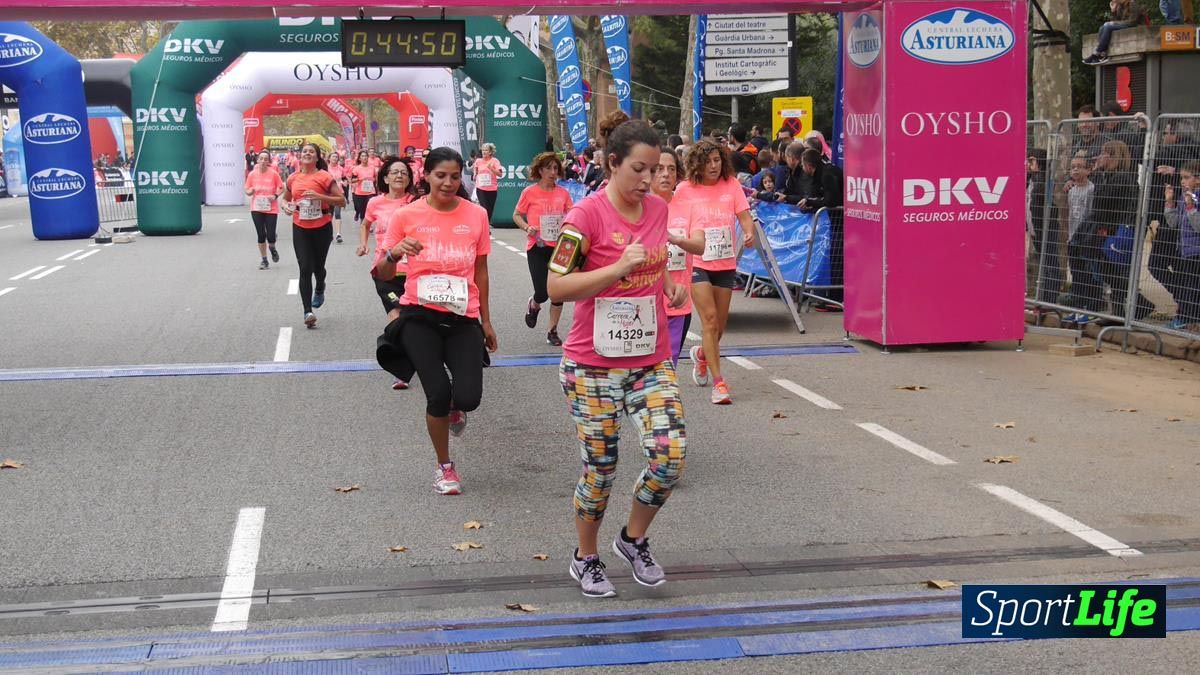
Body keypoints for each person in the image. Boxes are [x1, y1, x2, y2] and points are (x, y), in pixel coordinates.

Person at [547, 120, 688, 598]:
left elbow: (657, 254)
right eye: (638, 169)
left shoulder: (659, 210)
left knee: (670, 457)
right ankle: (585, 557)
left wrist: (664, 280)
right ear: (611, 163)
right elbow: (556, 287)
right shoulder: (583, 218)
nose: (648, 180)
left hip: (650, 360)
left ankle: (633, 538)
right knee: (601, 468)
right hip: (592, 365)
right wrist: (616, 269)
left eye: (656, 169)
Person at [375, 147, 497, 496]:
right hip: (419, 316)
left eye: (455, 176)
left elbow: (482, 270)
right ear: (426, 175)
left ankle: (458, 409)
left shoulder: (476, 215)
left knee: (468, 397)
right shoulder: (405, 216)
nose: (447, 182)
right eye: (440, 175)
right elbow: (383, 272)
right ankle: (445, 466)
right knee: (437, 394)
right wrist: (394, 253)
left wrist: (486, 321)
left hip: (462, 316)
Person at [676, 139, 755, 405]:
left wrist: (748, 232)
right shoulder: (685, 189)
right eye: (708, 161)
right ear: (697, 163)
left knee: (718, 328)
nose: (714, 165)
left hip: (724, 262)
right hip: (697, 262)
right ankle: (719, 383)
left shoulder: (731, 185)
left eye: (717, 160)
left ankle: (701, 355)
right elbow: (675, 220)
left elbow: (745, 216)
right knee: (708, 320)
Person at [281, 143, 346, 329]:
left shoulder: (324, 177)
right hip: (300, 226)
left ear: (317, 157)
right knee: (305, 267)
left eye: (311, 152)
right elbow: (285, 199)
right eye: (304, 152)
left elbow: (342, 201)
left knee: (318, 267)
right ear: (300, 157)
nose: (307, 154)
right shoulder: (293, 178)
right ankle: (307, 311)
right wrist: (286, 206)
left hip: (322, 226)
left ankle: (320, 286)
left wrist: (320, 197)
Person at [358, 155, 419, 344]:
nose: (399, 176)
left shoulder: (417, 202)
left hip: (414, 269)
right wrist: (364, 244)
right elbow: (365, 224)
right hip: (384, 269)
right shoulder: (375, 203)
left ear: (409, 179)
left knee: (415, 317)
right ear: (386, 178)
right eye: (395, 172)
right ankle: (400, 357)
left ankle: (413, 352)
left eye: (404, 173)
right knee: (396, 314)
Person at [515, 152, 573, 346]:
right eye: (548, 168)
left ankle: (552, 331)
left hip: (560, 247)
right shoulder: (529, 192)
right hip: (537, 246)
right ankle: (534, 303)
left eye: (556, 168)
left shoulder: (563, 193)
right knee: (543, 291)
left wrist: (569, 226)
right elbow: (517, 214)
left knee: (558, 292)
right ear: (540, 170)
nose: (552, 172)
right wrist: (527, 227)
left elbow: (572, 215)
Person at [655, 146, 704, 366]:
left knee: (668, 367)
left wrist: (676, 239)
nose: (666, 174)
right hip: (644, 300)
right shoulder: (638, 206)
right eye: (660, 169)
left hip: (677, 301)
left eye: (672, 169)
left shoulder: (689, 208)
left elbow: (700, 245)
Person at [1163, 161, 1200, 329]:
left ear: (1198, 179)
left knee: (1190, 287)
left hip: (1196, 250)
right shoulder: (1184, 196)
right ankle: (1187, 317)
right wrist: (1169, 202)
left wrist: (1191, 206)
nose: (1182, 182)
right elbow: (1173, 223)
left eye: (1186, 178)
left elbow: (1198, 226)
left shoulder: (1195, 198)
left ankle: (1186, 317)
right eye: (1181, 178)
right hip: (1185, 250)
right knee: (1186, 285)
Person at [243, 150, 284, 270]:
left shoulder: (273, 174)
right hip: (256, 208)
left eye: (266, 159)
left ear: (269, 161)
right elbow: (247, 189)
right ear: (257, 160)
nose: (263, 161)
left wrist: (275, 196)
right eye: (261, 158)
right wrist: (250, 191)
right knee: (261, 235)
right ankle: (264, 260)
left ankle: (272, 247)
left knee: (271, 235)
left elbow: (281, 188)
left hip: (271, 208)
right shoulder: (252, 174)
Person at [1083, 0, 1147, 65]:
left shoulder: (1132, 3)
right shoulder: (1120, 6)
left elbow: (1133, 21)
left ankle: (1097, 53)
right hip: (1125, 25)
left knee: (1108, 26)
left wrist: (1114, 23)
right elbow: (1116, 21)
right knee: (1102, 27)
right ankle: (1102, 54)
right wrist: (1113, 11)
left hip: (1134, 26)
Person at [471, 143, 503, 223]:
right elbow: (475, 168)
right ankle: (484, 226)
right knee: (484, 208)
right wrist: (475, 174)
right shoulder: (478, 161)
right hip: (481, 188)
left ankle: (486, 226)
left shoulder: (495, 161)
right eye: (483, 150)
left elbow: (500, 174)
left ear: (490, 152)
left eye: (486, 150)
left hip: (492, 189)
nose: (484, 152)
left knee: (489, 210)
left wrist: (491, 168)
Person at [350, 149, 377, 239]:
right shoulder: (356, 168)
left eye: (366, 156)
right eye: (362, 156)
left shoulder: (372, 168)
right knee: (362, 211)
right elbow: (352, 180)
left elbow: (375, 178)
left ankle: (368, 225)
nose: (364, 158)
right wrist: (361, 179)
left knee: (370, 209)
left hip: (370, 191)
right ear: (360, 158)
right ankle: (363, 226)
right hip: (359, 192)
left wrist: (373, 180)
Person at [327, 152, 347, 241]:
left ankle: (338, 234)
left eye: (336, 157)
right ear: (329, 158)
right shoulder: (325, 169)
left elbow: (344, 178)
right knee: (329, 214)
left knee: (338, 213)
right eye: (333, 156)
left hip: (339, 193)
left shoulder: (341, 169)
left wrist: (345, 182)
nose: (335, 158)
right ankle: (329, 233)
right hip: (328, 194)